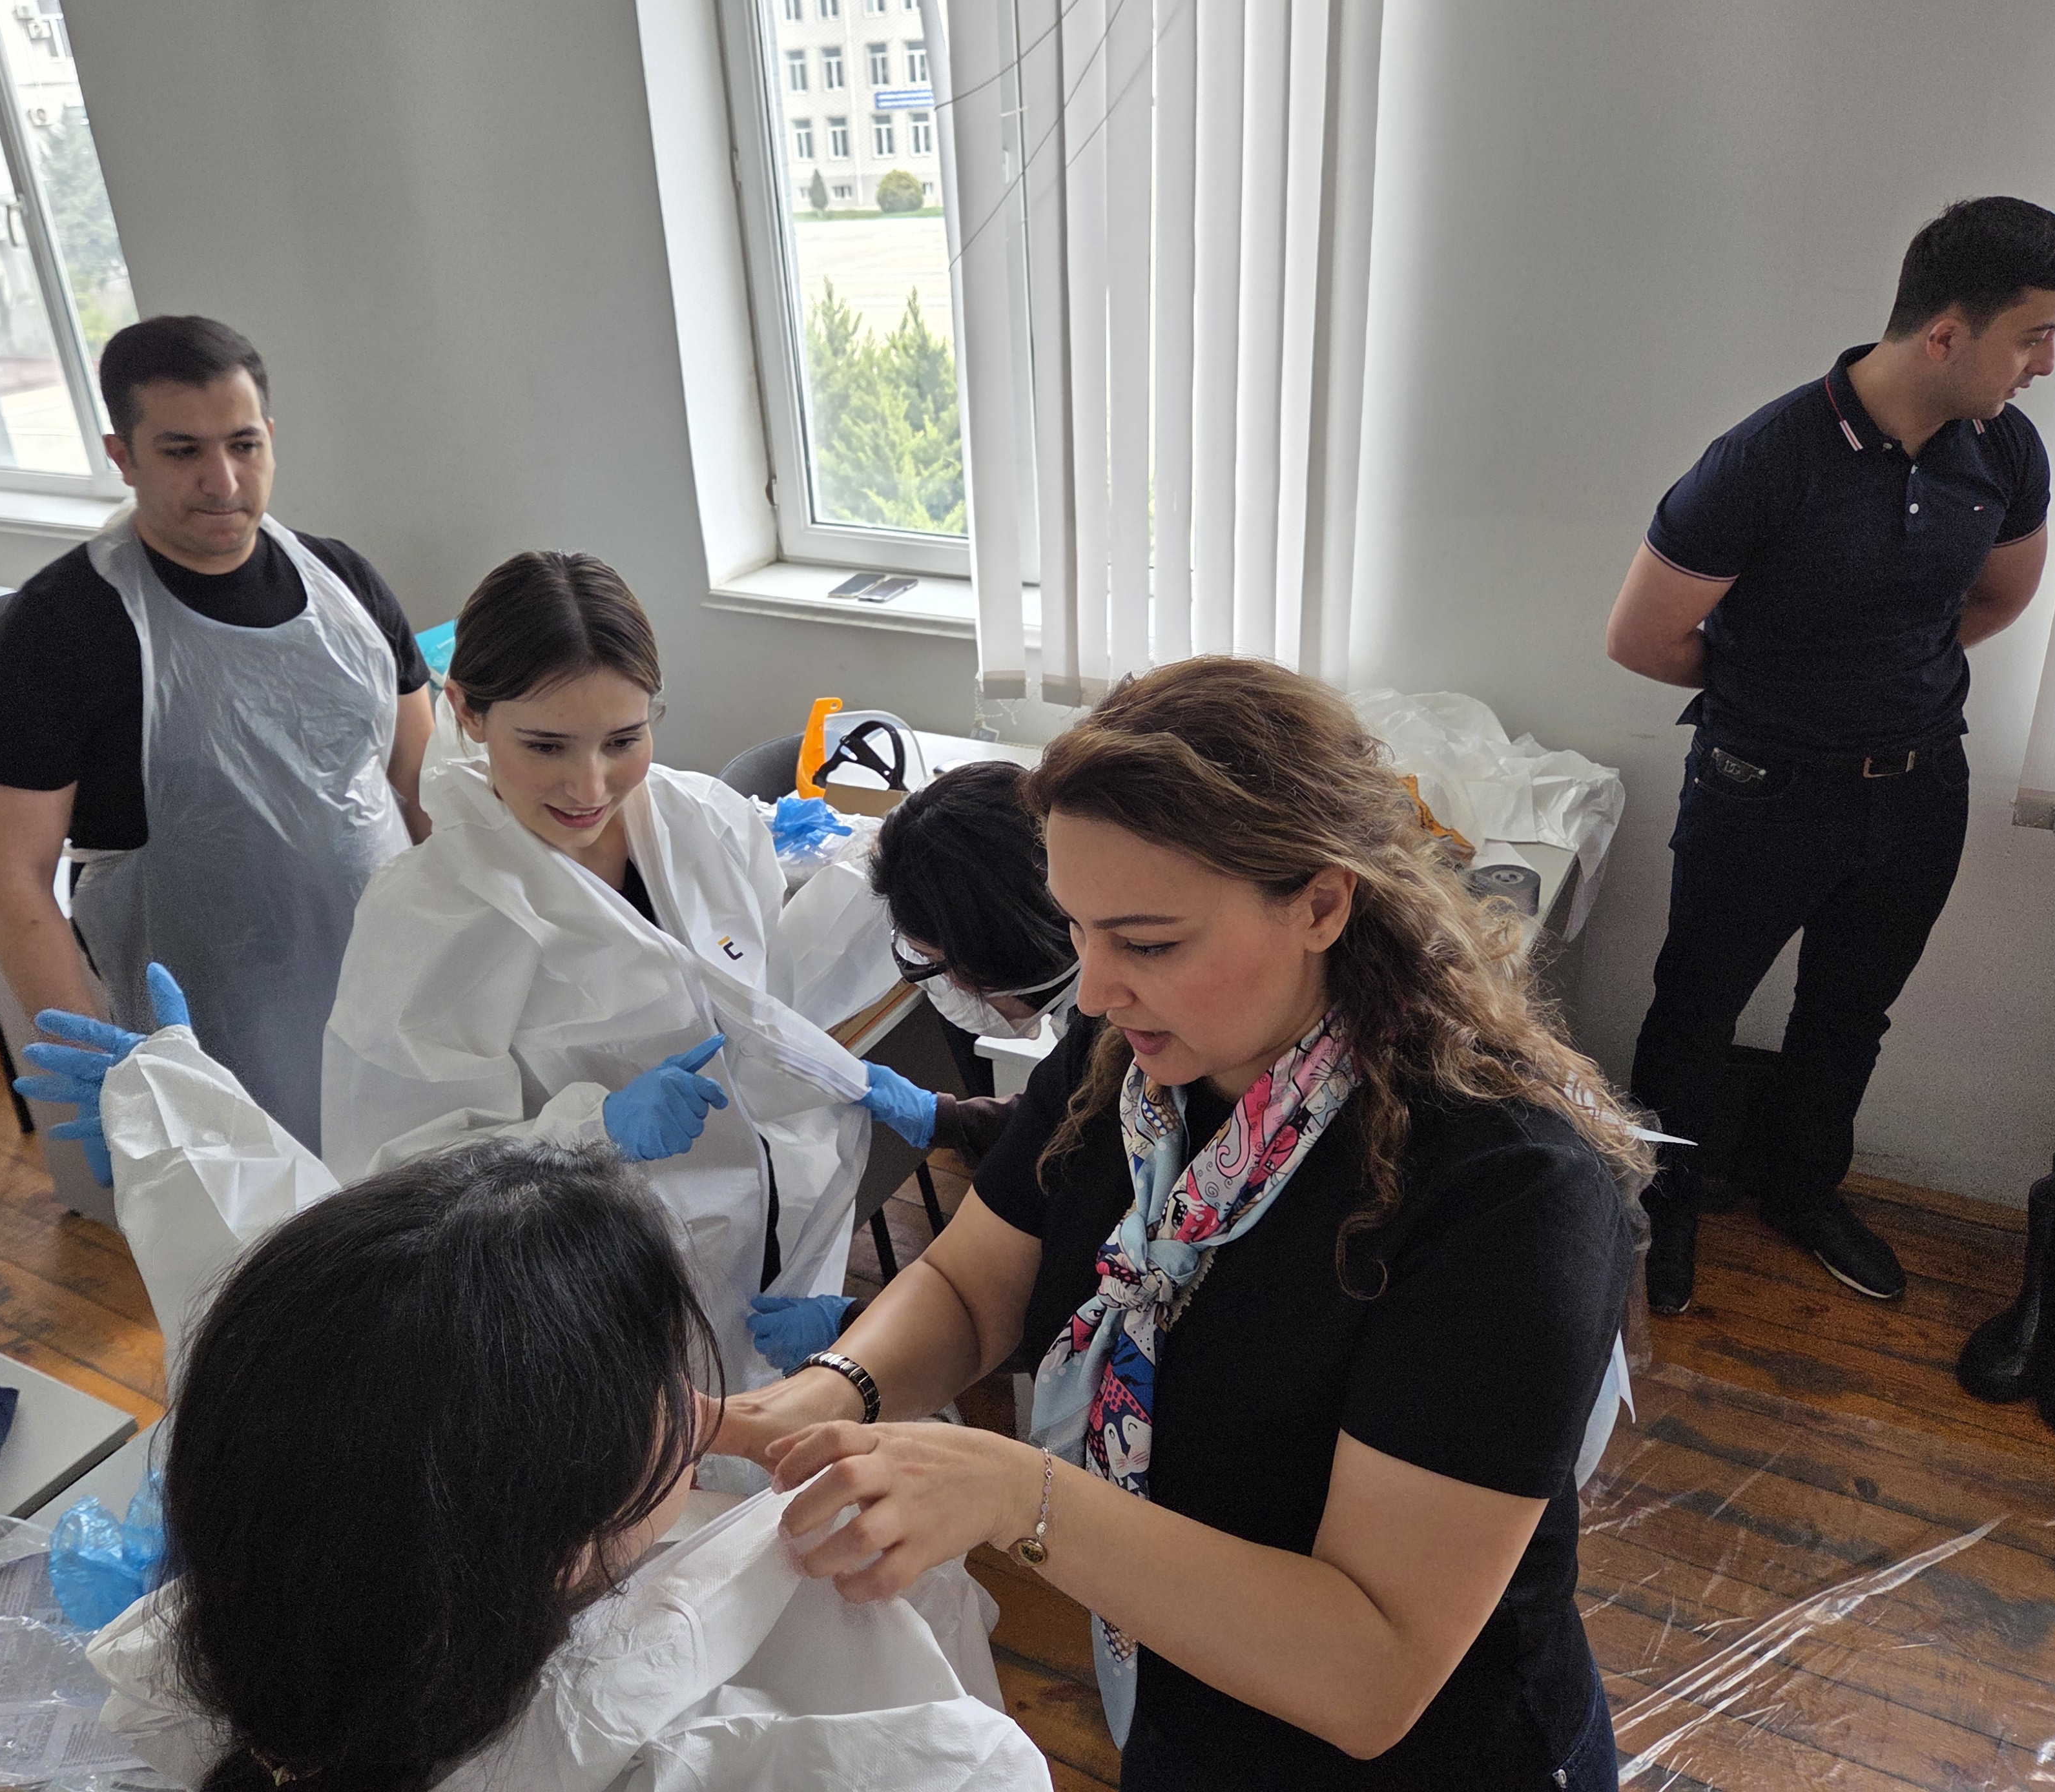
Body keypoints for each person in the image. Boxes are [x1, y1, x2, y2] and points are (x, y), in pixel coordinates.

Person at [718, 655, 1645, 1790]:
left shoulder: (1505, 1194)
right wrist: (826, 1395)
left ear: (1322, 903)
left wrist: (1017, 1493)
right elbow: (971, 1285)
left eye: (1148, 943)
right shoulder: (1132, 1065)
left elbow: (1371, 1670)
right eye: (1080, 930)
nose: (1094, 990)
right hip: (1179, 1694)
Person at [69, 1019, 1045, 1792]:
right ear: (557, 1537)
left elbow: (367, 1346)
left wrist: (180, 1124)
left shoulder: (304, 1610)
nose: (698, 1401)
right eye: (658, 1378)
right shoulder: (835, 1760)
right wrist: (1019, 1490)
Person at [1604, 197, 2055, 1315]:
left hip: (1920, 789)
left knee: (1850, 1013)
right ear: (1947, 335)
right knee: (1696, 1008)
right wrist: (1787, 690)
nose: (2048, 365)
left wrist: (1880, 674)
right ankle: (1663, 1210)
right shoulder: (1764, 459)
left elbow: (2000, 597)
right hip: (1760, 789)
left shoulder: (2004, 448)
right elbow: (1642, 638)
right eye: (2035, 336)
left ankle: (1801, 1189)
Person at [313, 550, 909, 1383]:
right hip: (597, 1284)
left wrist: (836, 1068)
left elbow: (760, 990)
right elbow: (402, 1173)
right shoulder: (428, 913)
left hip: (774, 1228)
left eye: (623, 740)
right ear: (467, 712)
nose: (589, 787)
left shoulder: (705, 822)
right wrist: (591, 1132)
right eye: (546, 746)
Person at [0, 314, 433, 1155]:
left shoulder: (347, 585)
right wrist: (107, 1069)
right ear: (123, 456)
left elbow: (426, 789)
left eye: (244, 445)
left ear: (270, 439)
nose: (222, 480)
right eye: (183, 451)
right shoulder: (60, 629)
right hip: (213, 1046)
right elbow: (12, 878)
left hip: (397, 997)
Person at [749, 759, 1081, 1372]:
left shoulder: (1135, 1040)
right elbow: (1069, 1118)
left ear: (990, 951)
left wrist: (859, 1327)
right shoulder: (1094, 1010)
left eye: (933, 962)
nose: (946, 987)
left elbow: (1076, 1316)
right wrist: (949, 1119)